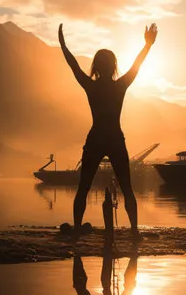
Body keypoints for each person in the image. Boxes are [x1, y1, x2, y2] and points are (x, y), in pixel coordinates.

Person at [59, 23, 158, 236]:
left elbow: (73, 66)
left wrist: (63, 46)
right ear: (113, 66)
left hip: (96, 139)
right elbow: (136, 66)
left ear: (96, 67)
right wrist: (148, 45)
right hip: (114, 138)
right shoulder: (120, 86)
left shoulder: (91, 86)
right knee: (127, 188)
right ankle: (133, 231)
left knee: (84, 187)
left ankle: (77, 228)